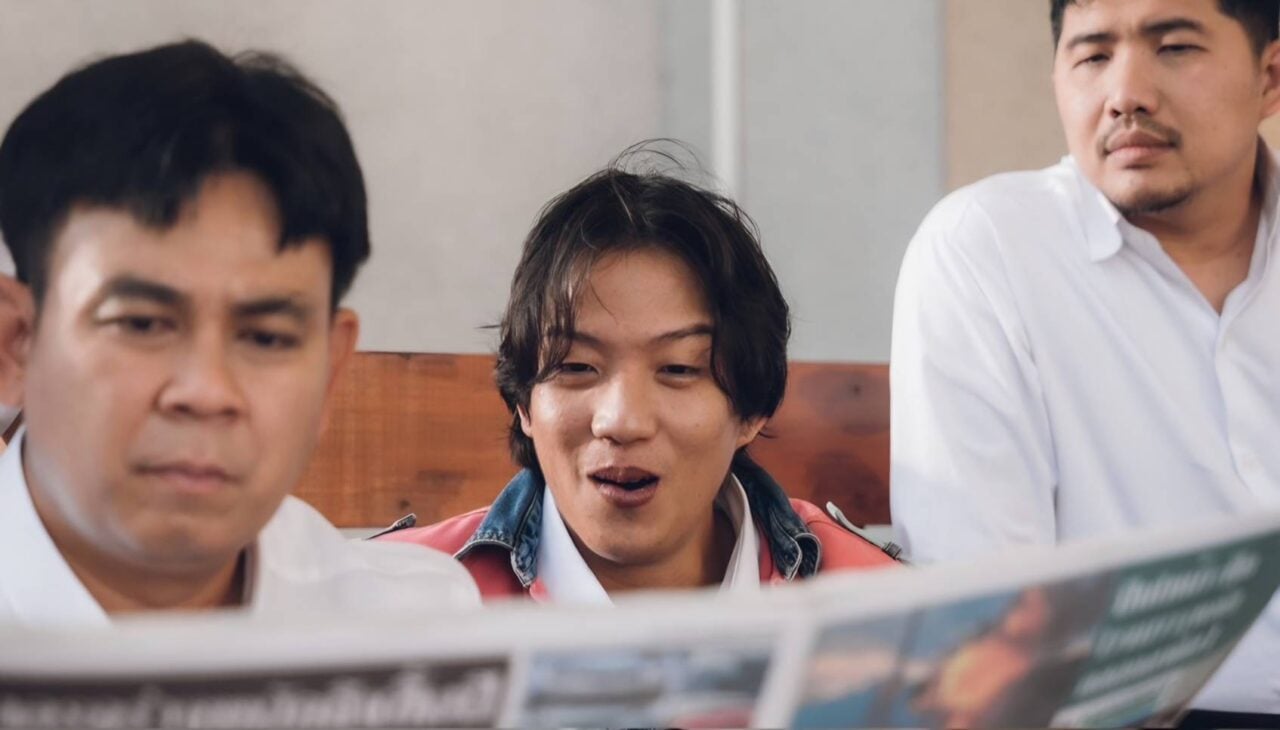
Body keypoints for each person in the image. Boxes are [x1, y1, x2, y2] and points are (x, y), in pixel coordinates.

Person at [890, 0, 1280, 721]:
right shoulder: (989, 250)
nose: (1126, 94)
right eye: (1094, 56)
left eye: (1174, 47)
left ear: (1270, 77)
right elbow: (983, 612)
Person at [0, 40, 478, 626]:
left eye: (267, 338)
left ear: (330, 372)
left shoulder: (417, 626)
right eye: (142, 323)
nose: (208, 392)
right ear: (15, 342)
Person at [384, 154, 896, 602]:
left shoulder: (881, 609)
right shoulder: (390, 602)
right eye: (576, 367)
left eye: (678, 369)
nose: (622, 421)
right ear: (524, 402)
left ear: (751, 409)